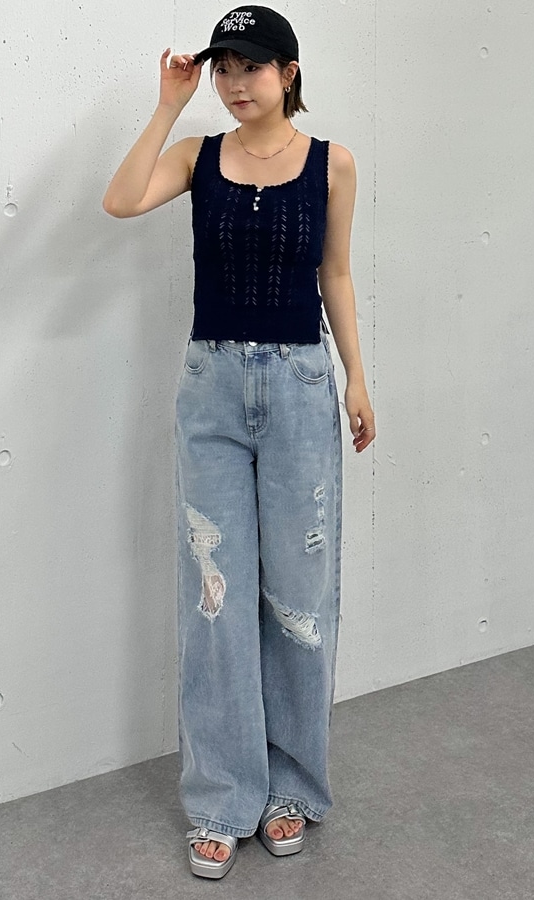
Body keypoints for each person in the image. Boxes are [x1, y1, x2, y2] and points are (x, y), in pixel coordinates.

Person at [103, 5, 375, 880]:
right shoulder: (199, 157)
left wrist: (356, 378)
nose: (233, 82)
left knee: (298, 595)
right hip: (211, 388)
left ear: (288, 73)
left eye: (250, 67)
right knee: (214, 598)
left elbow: (336, 273)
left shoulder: (333, 164)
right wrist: (168, 106)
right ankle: (222, 797)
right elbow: (120, 200)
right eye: (223, 67)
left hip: (299, 385)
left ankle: (292, 786)